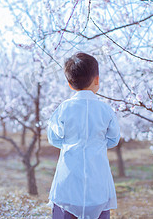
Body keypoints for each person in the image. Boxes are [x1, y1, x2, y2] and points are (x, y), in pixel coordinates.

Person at [47, 52, 120, 219]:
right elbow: (114, 139)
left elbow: (53, 137)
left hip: (68, 182)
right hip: (98, 182)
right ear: (97, 79)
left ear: (70, 85)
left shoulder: (63, 109)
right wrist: (96, 144)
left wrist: (70, 144)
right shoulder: (106, 110)